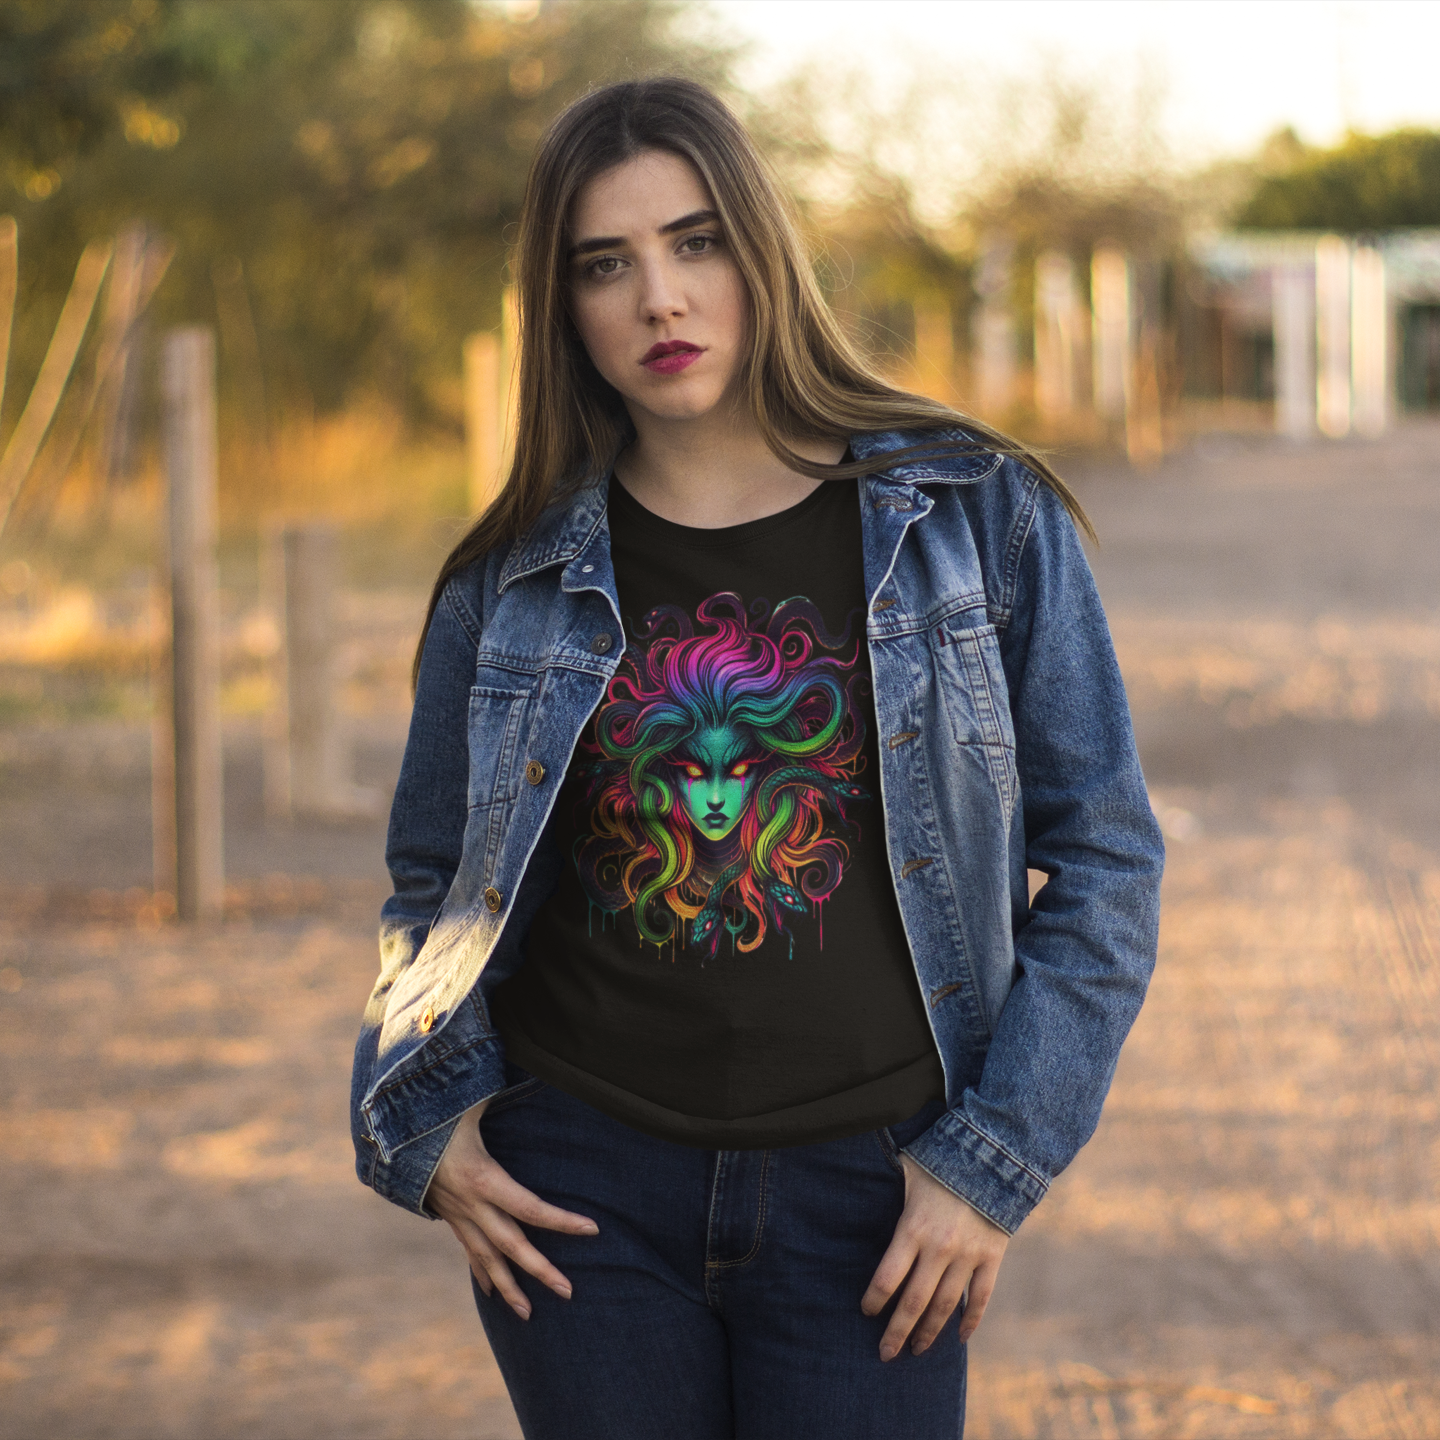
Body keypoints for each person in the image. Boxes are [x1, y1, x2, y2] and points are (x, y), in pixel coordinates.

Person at [350, 76, 1164, 1440]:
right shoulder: (509, 578)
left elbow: (1105, 858)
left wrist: (991, 1163)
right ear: (563, 308)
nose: (658, 299)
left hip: (875, 1198)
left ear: (760, 252)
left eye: (695, 241)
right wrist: (424, 1122)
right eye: (604, 266)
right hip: (582, 1195)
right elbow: (435, 884)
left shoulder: (976, 515)